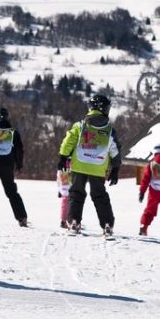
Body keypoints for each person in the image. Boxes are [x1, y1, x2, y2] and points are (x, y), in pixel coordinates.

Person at [57, 93, 121, 237]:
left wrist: (62, 156)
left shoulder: (80, 125)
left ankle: (73, 221)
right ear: (104, 109)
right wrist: (116, 168)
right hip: (98, 167)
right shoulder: (109, 130)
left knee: (76, 193)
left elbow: (69, 141)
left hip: (79, 165)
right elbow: (115, 150)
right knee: (100, 196)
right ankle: (107, 225)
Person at [0, 107, 28, 226]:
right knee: (12, 192)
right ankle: (22, 217)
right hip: (7, 165)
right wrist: (19, 165)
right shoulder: (13, 132)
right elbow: (19, 150)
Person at [57, 158, 72, 228]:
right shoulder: (73, 161)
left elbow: (58, 178)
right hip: (70, 186)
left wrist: (59, 189)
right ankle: (72, 221)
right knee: (73, 203)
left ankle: (63, 220)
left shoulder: (61, 162)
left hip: (63, 186)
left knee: (65, 203)